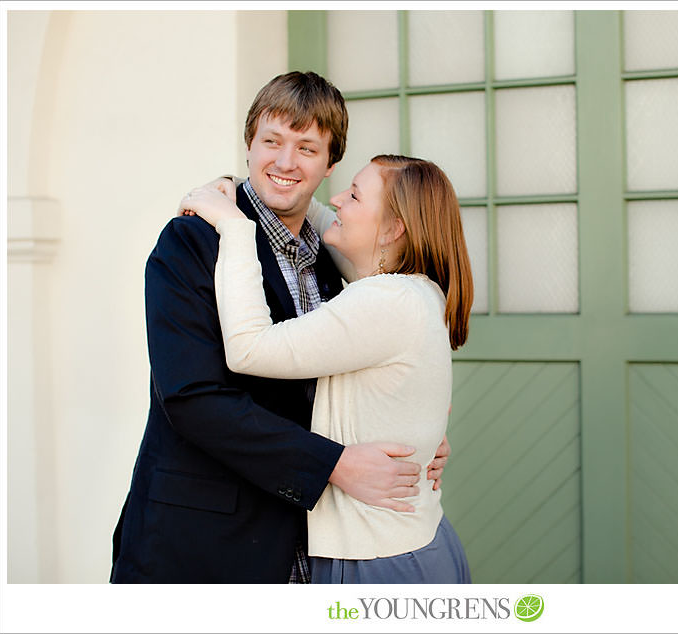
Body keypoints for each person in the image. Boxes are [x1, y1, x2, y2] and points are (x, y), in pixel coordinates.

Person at [110, 71, 450, 583]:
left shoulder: (336, 256)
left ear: (330, 164)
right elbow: (191, 397)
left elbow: (360, 367)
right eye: (272, 141)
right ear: (249, 145)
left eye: (307, 148)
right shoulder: (192, 242)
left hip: (307, 544)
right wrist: (333, 464)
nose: (285, 163)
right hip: (201, 541)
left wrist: (415, 437)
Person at [178, 154, 473, 583]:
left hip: (380, 564)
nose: (335, 199)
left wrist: (236, 227)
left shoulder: (384, 302)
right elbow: (312, 211)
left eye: (353, 195)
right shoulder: (417, 292)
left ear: (392, 230)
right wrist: (238, 185)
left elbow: (248, 349)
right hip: (412, 548)